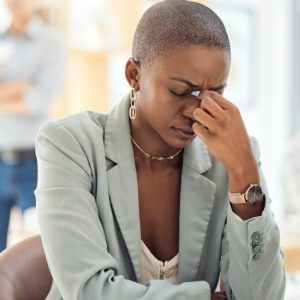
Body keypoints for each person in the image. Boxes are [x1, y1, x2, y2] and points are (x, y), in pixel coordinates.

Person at [35, 1, 285, 299]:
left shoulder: (230, 159)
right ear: (134, 75)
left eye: (216, 92)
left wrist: (245, 175)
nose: (198, 110)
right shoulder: (69, 145)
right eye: (181, 91)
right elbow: (89, 291)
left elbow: (259, 296)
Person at [0, 0, 66, 251]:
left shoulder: (52, 42)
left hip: (34, 161)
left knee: (37, 247)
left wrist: (10, 92)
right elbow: (28, 96)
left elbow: (40, 100)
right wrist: (22, 87)